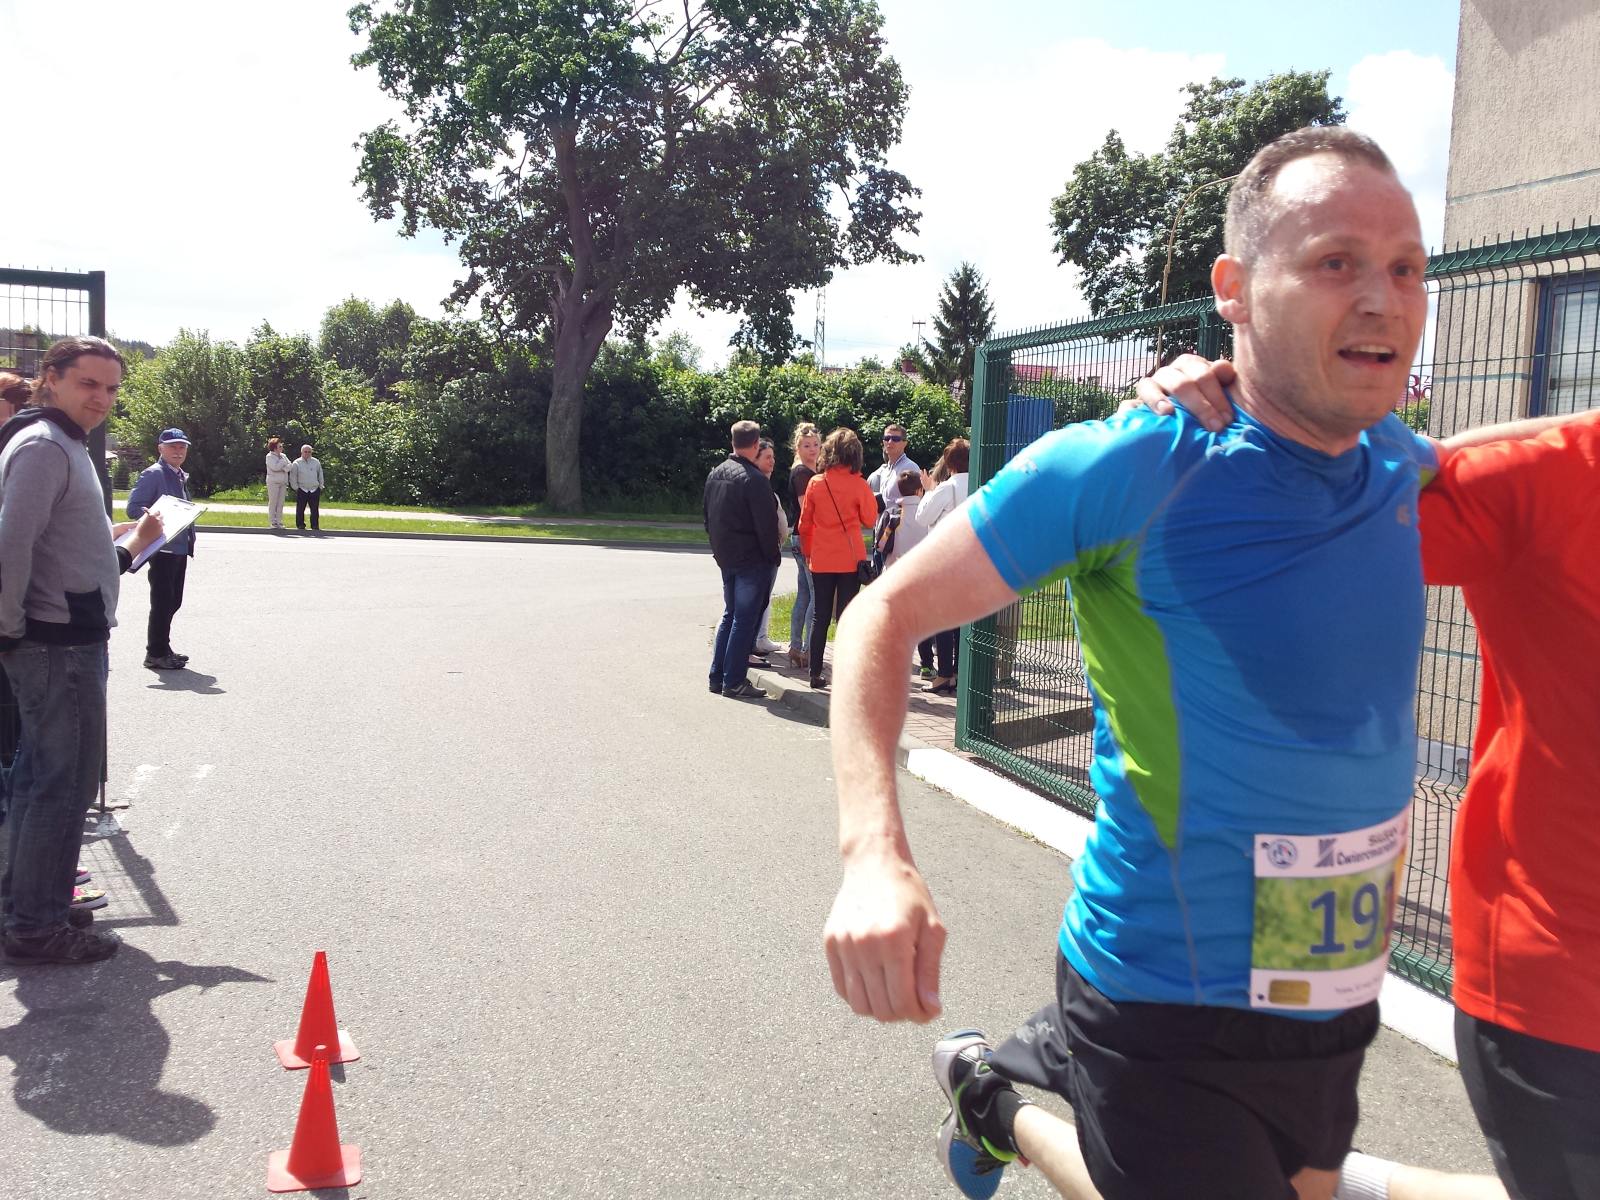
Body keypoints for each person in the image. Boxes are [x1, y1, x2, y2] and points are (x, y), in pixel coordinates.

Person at [821, 126, 1448, 1200]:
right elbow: (881, 615)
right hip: (1166, 993)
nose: (1382, 299)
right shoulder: (1133, 463)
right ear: (1233, 289)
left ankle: (995, 1097)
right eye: (1335, 261)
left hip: (1334, 988)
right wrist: (873, 855)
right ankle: (1006, 1101)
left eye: (1405, 268)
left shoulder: (1406, 465)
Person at [1136, 356, 1600, 1200]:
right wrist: (1216, 402)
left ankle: (1323, 1180)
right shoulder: (1547, 481)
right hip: (1559, 988)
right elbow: (1326, 477)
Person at [0, 337, 163, 966]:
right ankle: (36, 926)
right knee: (61, 785)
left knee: (40, 779)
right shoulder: (45, 446)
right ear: (52, 378)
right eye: (89, 383)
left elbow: (55, 538)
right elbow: (12, 545)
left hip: (59, 636)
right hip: (55, 642)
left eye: (112, 388)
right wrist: (10, 629)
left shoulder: (59, 441)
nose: (102, 398)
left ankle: (28, 902)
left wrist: (117, 542)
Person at [703, 420, 779, 700]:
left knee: (731, 614)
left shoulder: (715, 473)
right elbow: (766, 527)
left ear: (733, 442)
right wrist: (772, 558)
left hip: (726, 556)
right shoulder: (754, 479)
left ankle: (717, 676)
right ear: (756, 444)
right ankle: (734, 680)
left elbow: (707, 517)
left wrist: (717, 549)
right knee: (744, 620)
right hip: (751, 558)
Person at [798, 428, 876, 692]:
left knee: (820, 615)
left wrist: (809, 552)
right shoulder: (858, 484)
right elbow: (870, 519)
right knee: (846, 617)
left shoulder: (816, 483)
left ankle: (815, 672)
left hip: (821, 557)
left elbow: (805, 524)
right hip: (850, 559)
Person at [127, 428, 197, 672]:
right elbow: (134, 508)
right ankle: (155, 653)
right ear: (160, 448)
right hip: (163, 548)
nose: (178, 451)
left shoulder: (178, 475)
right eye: (173, 446)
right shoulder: (154, 474)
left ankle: (163, 647)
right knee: (163, 602)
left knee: (173, 600)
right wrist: (156, 516)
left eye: (182, 447)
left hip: (179, 547)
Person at [914, 438, 970, 695]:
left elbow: (922, 517)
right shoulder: (980, 486)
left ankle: (944, 674)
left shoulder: (947, 487)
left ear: (949, 463)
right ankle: (958, 671)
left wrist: (928, 490)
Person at [879, 469, 936, 679]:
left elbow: (880, 546)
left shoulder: (892, 514)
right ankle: (927, 666)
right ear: (920, 490)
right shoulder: (927, 513)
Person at [786, 423, 821, 670]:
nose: (813, 449)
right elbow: (806, 508)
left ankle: (796, 647)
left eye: (816, 445)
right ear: (797, 447)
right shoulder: (801, 473)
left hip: (802, 536)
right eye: (807, 445)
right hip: (806, 537)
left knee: (805, 594)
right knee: (815, 595)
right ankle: (806, 649)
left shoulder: (812, 471)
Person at [753, 438, 787, 659]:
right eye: (767, 457)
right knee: (756, 599)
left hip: (771, 551)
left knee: (764, 597)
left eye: (773, 457)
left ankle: (760, 637)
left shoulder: (766, 488)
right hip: (762, 554)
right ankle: (755, 641)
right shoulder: (757, 488)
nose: (772, 461)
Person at [866, 423, 919, 514]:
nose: (890, 442)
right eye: (887, 438)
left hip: (902, 522)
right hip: (882, 521)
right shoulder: (884, 471)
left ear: (904, 443)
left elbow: (915, 501)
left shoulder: (910, 467)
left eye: (895, 439)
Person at [288, 444, 325, 531]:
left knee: (315, 510)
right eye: (305, 452)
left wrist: (320, 486)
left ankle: (315, 526)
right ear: (301, 452)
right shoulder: (296, 463)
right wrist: (296, 488)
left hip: (314, 489)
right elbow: (293, 477)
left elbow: (320, 475)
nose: (307, 453)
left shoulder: (316, 462)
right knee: (300, 509)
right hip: (302, 489)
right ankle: (300, 525)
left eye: (309, 452)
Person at [264, 436, 292, 531]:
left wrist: (284, 467)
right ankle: (273, 522)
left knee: (280, 503)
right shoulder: (269, 457)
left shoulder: (283, 456)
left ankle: (279, 521)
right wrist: (282, 464)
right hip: (273, 482)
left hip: (283, 482)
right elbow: (275, 468)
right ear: (274, 448)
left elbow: (290, 466)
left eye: (281, 446)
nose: (281, 448)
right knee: (273, 502)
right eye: (280, 446)